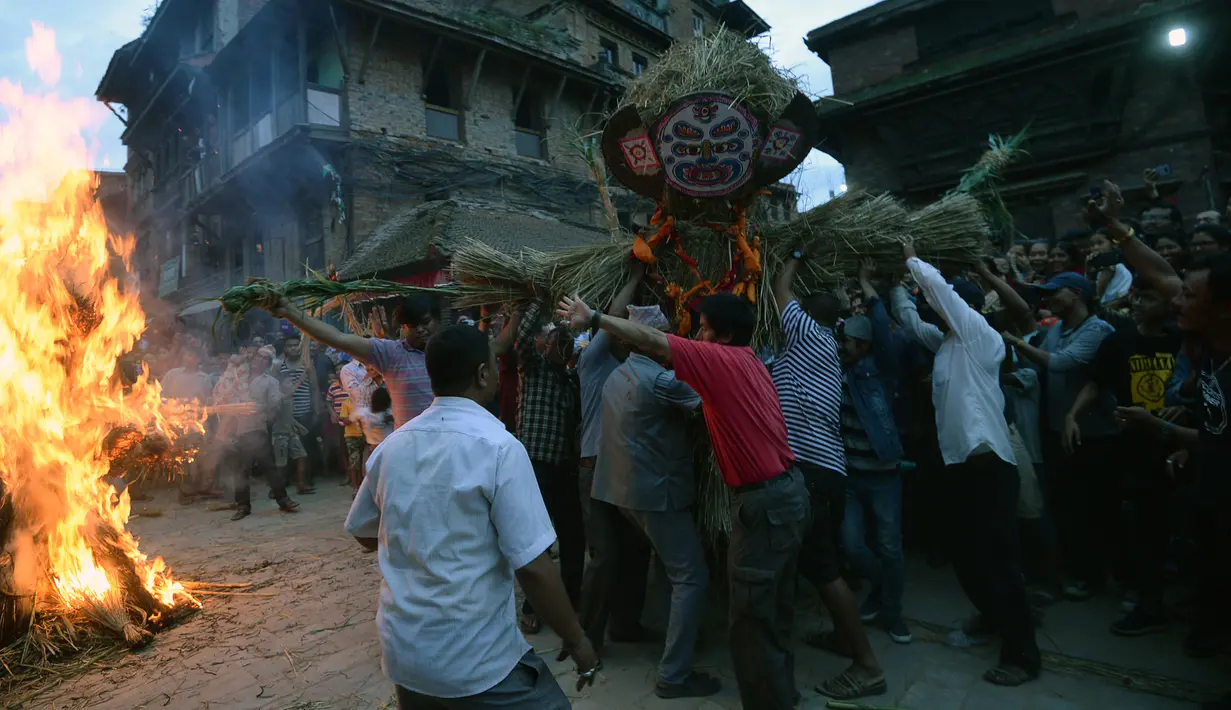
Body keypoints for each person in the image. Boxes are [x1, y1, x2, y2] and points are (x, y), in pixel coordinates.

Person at [558, 290, 811, 709]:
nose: (697, 333)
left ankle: (766, 700)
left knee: (749, 620)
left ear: (725, 335)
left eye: (705, 327)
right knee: (773, 610)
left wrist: (597, 318)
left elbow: (658, 344)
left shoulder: (716, 361)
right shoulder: (749, 361)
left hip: (764, 503)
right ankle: (781, 694)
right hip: (784, 493)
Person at [344, 324, 599, 710]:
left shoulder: (392, 447)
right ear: (483, 374)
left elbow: (364, 532)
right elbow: (533, 567)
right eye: (495, 366)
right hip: (473, 658)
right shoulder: (500, 447)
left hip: (405, 654)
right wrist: (577, 639)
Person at [901, 241, 1040, 686]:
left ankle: (1022, 654)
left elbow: (941, 294)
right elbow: (908, 316)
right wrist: (888, 285)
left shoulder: (981, 335)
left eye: (942, 306)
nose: (934, 310)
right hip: (959, 464)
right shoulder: (945, 345)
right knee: (967, 553)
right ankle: (993, 615)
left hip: (988, 466)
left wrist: (914, 258)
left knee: (997, 558)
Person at [771, 249, 886, 700]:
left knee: (822, 570)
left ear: (806, 317)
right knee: (823, 564)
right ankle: (844, 639)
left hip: (811, 475)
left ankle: (867, 666)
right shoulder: (826, 358)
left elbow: (781, 288)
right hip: (828, 473)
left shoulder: (808, 334)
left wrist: (795, 254)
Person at [592, 304, 717, 699]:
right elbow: (710, 405)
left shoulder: (616, 374)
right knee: (692, 576)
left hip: (622, 492)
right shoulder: (662, 381)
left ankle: (678, 636)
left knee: (670, 566)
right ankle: (674, 674)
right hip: (655, 493)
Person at [1004, 272, 1116, 602]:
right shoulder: (1055, 330)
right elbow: (1034, 364)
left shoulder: (1099, 330)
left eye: (1056, 292)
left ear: (1078, 294)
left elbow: (1061, 363)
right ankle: (1070, 571)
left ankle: (1093, 577)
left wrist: (1015, 342)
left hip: (1094, 434)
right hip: (1057, 432)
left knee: (1090, 508)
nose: (1048, 298)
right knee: (1066, 506)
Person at [574, 266, 654, 653]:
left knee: (638, 549)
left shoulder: (639, 370)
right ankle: (586, 639)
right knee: (604, 556)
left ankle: (626, 624)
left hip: (627, 472)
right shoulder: (592, 363)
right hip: (595, 469)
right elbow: (604, 321)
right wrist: (634, 280)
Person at [833, 260, 910, 648]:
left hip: (883, 474)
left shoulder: (879, 371)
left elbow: (882, 329)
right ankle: (881, 585)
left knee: (890, 544)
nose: (841, 346)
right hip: (849, 474)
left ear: (863, 346)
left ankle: (894, 612)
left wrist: (866, 282)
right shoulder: (836, 370)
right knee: (851, 544)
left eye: (847, 342)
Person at [258, 294, 437, 428]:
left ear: (437, 320)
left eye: (425, 322)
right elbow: (338, 338)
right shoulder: (391, 353)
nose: (420, 329)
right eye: (412, 325)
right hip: (410, 448)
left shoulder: (452, 350)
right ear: (403, 327)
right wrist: (290, 311)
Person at [512, 301, 583, 636]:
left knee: (573, 540)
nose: (562, 346)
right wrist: (538, 298)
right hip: (535, 469)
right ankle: (532, 605)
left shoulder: (571, 382)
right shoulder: (534, 369)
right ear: (547, 345)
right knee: (537, 544)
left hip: (564, 471)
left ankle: (568, 603)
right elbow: (523, 337)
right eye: (557, 341)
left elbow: (586, 345)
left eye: (567, 343)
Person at [222, 346, 298, 521]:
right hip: (235, 427)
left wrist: (257, 408)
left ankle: (283, 499)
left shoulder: (270, 382)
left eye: (265, 359)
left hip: (257, 428)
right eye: (258, 357)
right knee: (240, 469)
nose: (260, 360)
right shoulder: (239, 376)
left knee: (268, 466)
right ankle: (242, 505)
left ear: (268, 364)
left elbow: (274, 404)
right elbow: (226, 396)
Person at [272, 373, 312, 495]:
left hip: (290, 432)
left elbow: (289, 416)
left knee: (302, 456)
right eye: (288, 382)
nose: (291, 385)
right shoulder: (277, 396)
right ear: (281, 384)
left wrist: (299, 427)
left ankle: (300, 484)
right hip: (280, 434)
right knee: (281, 463)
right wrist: (300, 381)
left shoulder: (289, 398)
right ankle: (276, 489)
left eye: (291, 382)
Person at [338, 391, 366, 491]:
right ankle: (355, 486)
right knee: (354, 461)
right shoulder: (347, 403)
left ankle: (361, 485)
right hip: (352, 436)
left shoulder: (364, 403)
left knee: (363, 462)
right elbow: (343, 421)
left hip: (365, 435)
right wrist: (354, 417)